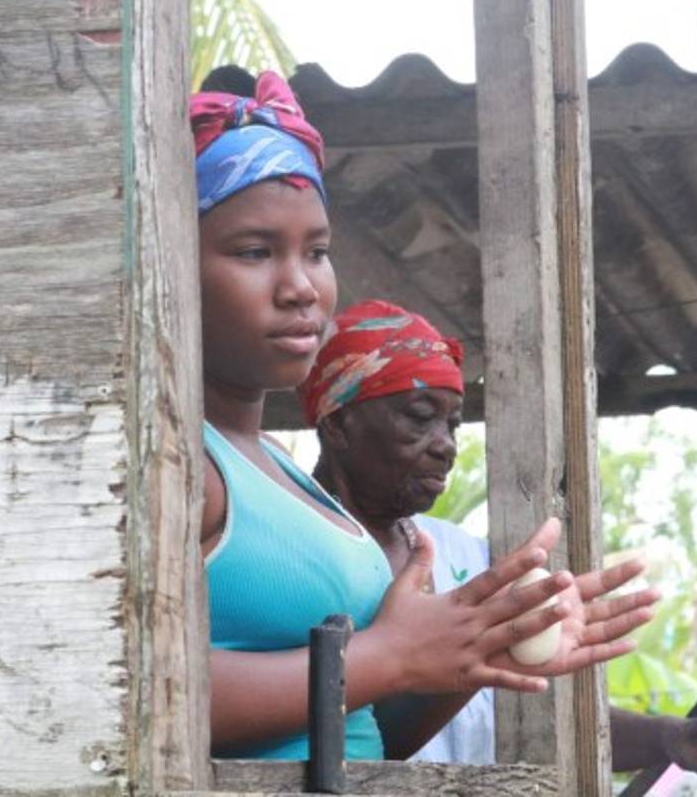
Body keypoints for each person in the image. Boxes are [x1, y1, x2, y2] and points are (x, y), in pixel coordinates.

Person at [191, 68, 656, 762]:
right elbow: (134, 695)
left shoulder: (279, 470)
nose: (300, 287)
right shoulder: (178, 460)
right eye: (255, 252)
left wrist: (476, 647)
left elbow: (363, 735)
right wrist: (392, 658)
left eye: (316, 251)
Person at [297, 299, 697, 779]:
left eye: (453, 424)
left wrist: (672, 738)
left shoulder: (471, 563)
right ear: (339, 423)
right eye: (420, 417)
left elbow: (544, 723)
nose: (446, 447)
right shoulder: (291, 556)